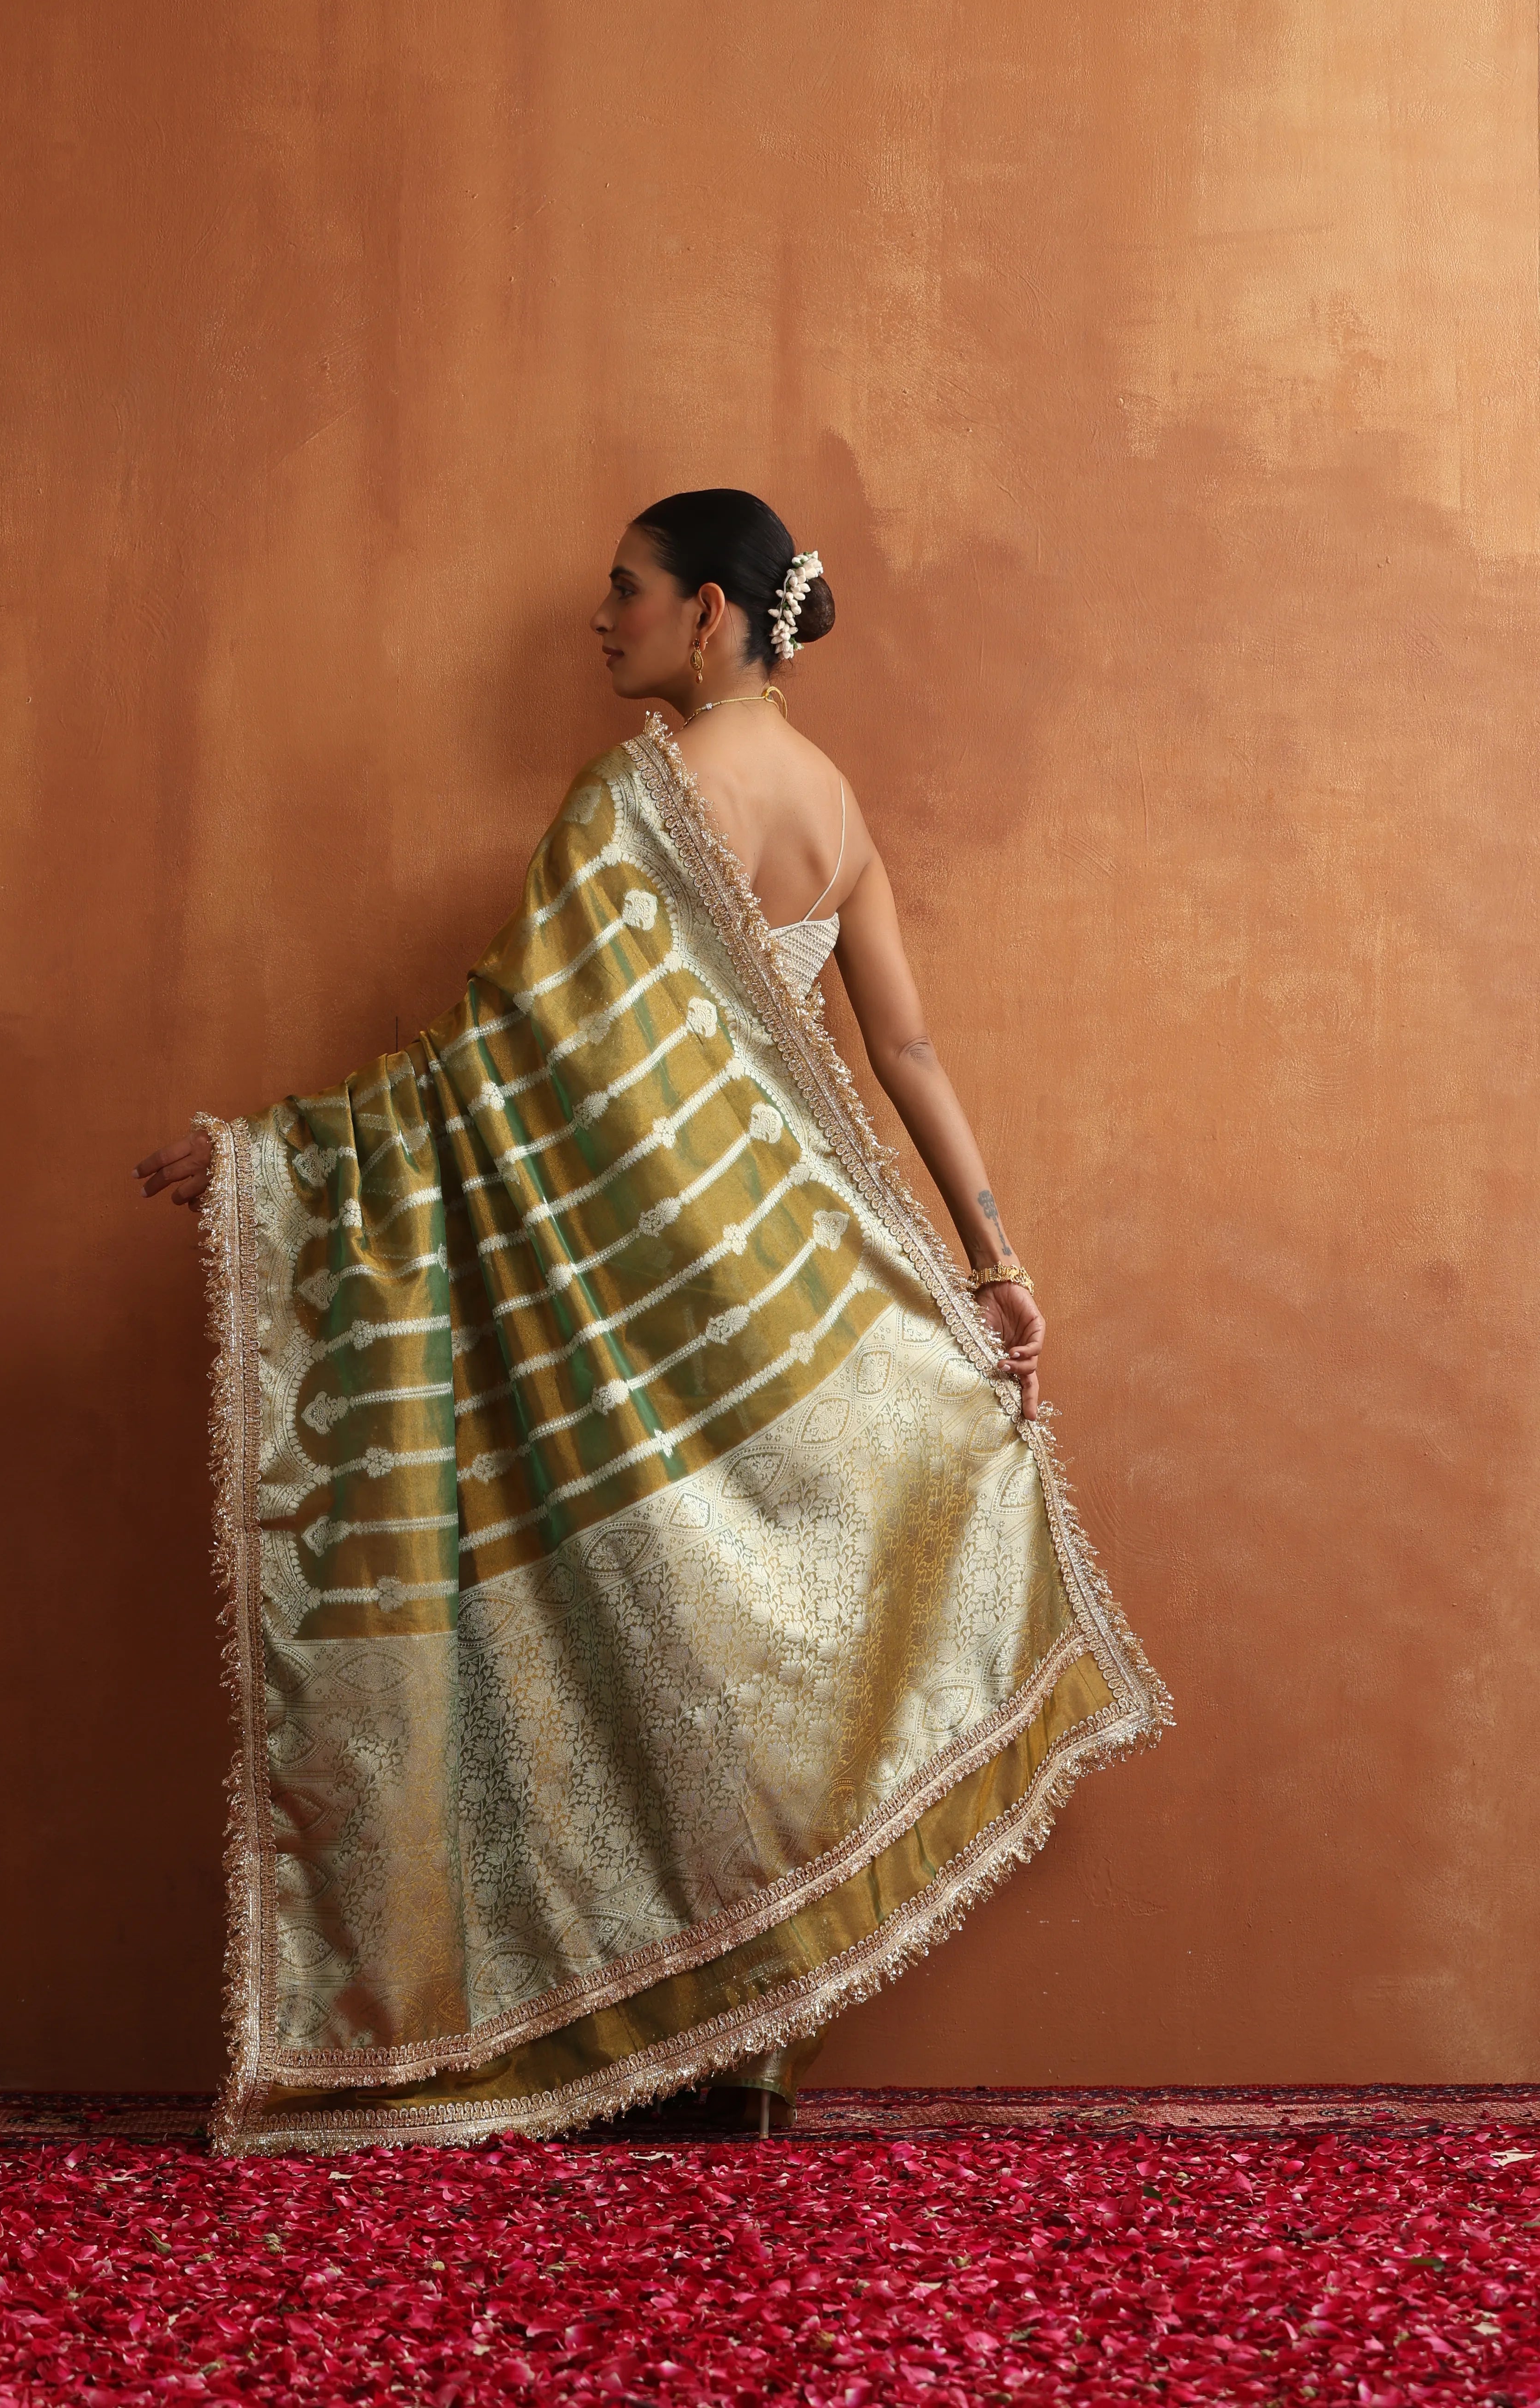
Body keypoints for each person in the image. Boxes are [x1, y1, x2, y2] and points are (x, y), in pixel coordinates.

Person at [138, 490, 1167, 2154]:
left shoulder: (636, 798)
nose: (597, 618)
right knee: (746, 1666)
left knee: (665, 1652)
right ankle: (740, 2060)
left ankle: (650, 2039)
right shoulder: (833, 804)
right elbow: (906, 1052)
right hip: (797, 1302)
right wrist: (994, 1265)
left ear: (709, 612)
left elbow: (503, 1059)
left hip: (652, 1314)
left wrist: (280, 1158)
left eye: (624, 589)